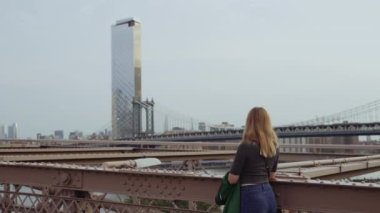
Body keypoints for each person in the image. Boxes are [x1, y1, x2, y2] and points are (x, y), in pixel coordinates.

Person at [228, 107, 279, 213]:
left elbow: (232, 179)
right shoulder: (274, 147)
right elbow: (272, 176)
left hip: (251, 195)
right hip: (269, 195)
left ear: (249, 123)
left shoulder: (245, 146)